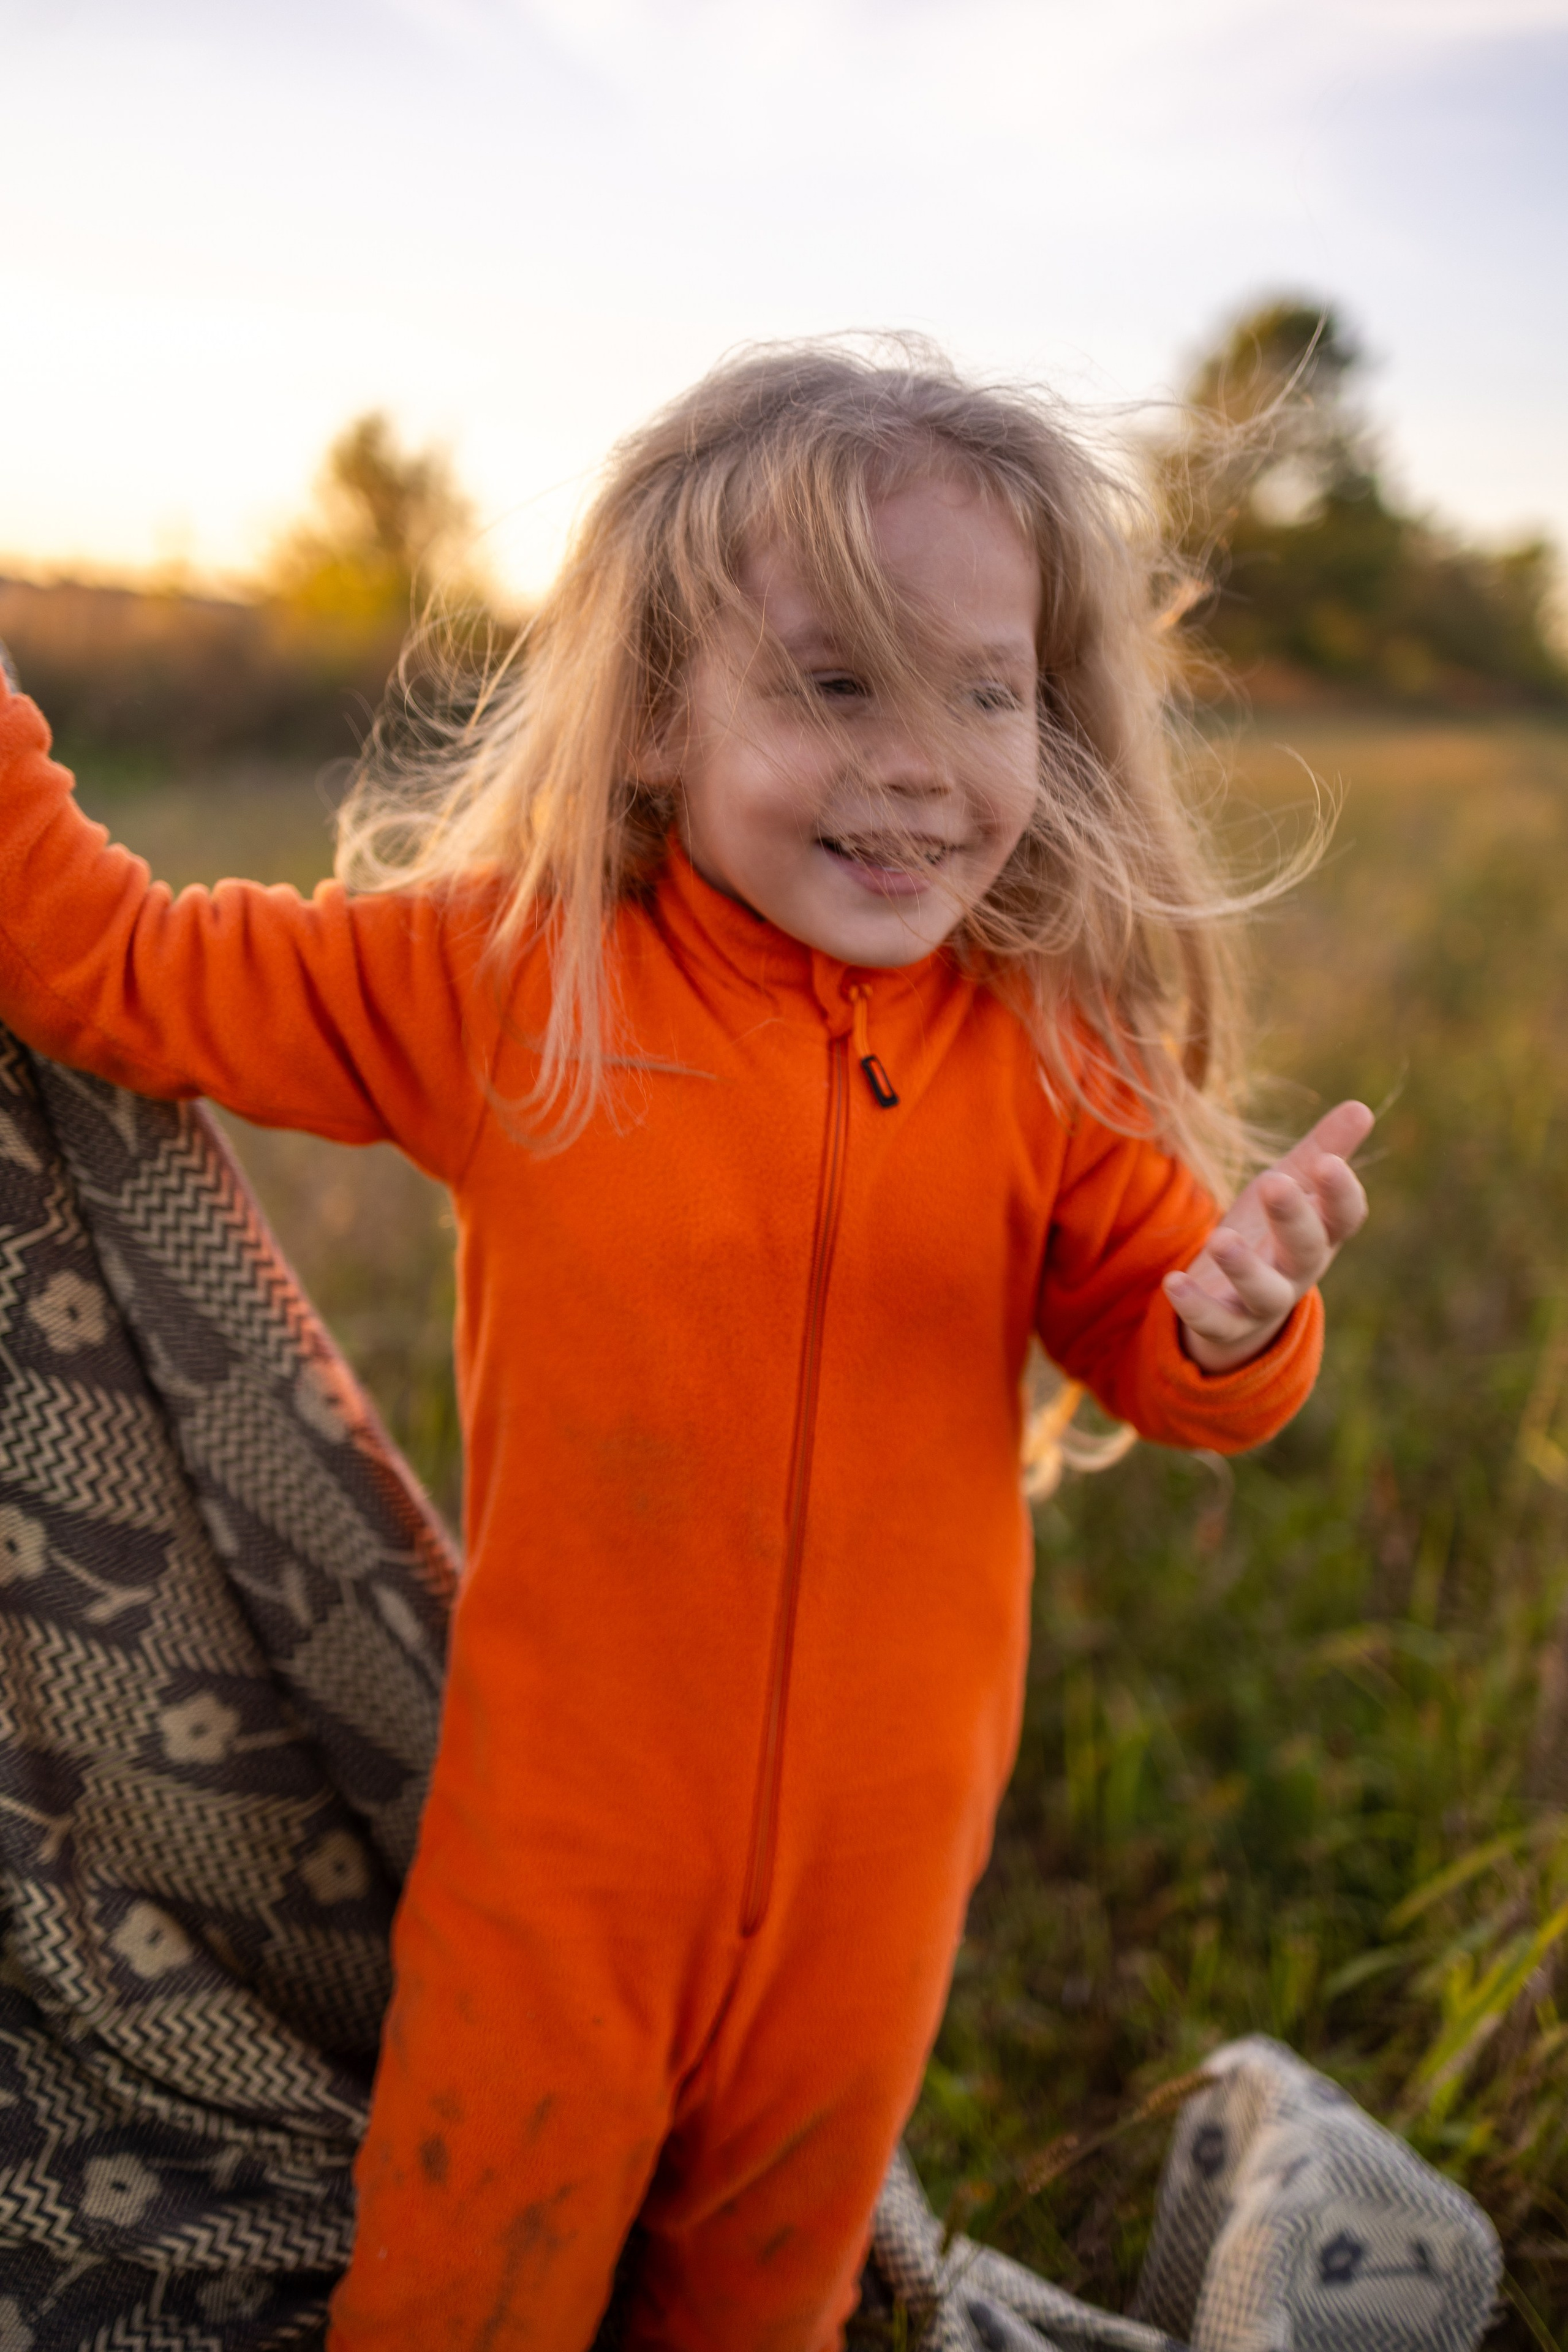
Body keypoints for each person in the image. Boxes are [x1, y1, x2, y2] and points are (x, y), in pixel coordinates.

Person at [0, 343, 1369, 2351]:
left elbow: (1166, 1358)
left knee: (761, 2302)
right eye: (836, 685)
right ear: (655, 716)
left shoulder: (1044, 1053)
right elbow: (110, 964)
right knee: (467, 2277)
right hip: (563, 1859)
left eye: (987, 694)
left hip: (882, 1870)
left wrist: (1239, 1318)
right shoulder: (511, 977)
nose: (924, 764)